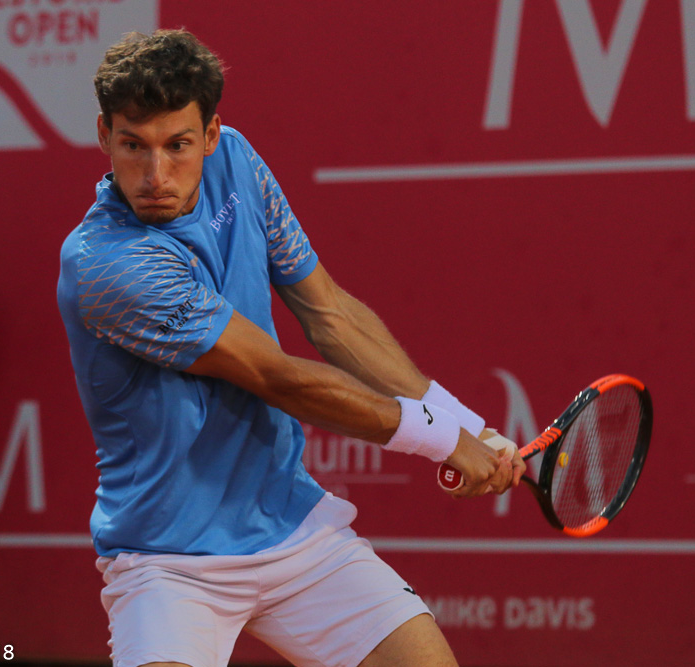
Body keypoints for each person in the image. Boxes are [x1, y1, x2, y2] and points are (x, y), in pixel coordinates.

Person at [57, 29, 525, 667]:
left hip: (294, 527)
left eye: (177, 145)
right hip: (168, 562)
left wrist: (467, 426)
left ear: (211, 135)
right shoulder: (107, 264)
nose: (155, 174)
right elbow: (276, 377)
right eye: (133, 145)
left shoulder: (236, 161)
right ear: (104, 136)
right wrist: (443, 440)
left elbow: (330, 314)